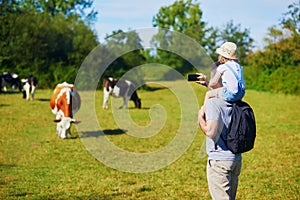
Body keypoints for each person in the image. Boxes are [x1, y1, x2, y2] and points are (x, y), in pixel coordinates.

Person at [198, 96, 242, 200]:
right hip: (235, 158)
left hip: (219, 161)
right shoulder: (236, 99)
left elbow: (210, 132)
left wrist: (200, 117)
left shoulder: (213, 103)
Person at [199, 42, 246, 107]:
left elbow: (213, 83)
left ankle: (203, 112)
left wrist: (207, 81)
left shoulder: (222, 67)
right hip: (241, 93)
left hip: (230, 93)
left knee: (208, 94)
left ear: (222, 57)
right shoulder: (238, 66)